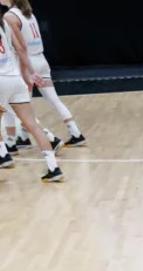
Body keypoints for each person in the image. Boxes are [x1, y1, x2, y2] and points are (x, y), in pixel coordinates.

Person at [3, 0, 85, 146]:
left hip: (27, 63)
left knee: (18, 105)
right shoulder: (27, 12)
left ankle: (16, 142)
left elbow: (21, 47)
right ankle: (76, 133)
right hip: (41, 59)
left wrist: (27, 71)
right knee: (53, 99)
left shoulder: (9, 16)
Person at [0, 15, 59, 180]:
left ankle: (3, 154)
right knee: (32, 125)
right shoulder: (4, 23)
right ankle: (54, 168)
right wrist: (30, 73)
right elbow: (21, 48)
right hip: (15, 80)